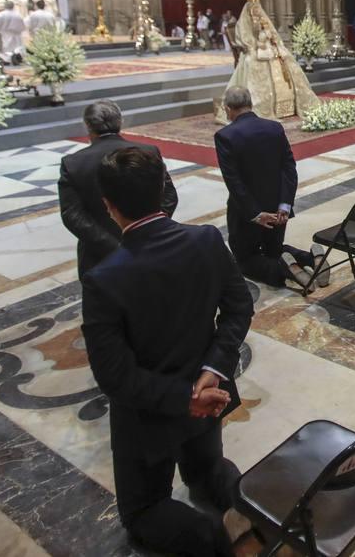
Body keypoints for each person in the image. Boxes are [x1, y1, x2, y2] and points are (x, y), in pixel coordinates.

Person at [81, 146, 253, 557]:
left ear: (108, 207)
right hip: (208, 393)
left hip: (148, 418)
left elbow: (115, 376)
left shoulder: (103, 279)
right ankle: (251, 510)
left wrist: (182, 399)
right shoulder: (207, 240)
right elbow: (239, 307)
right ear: (163, 189)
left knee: (143, 510)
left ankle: (216, 542)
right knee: (208, 470)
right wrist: (214, 369)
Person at [213, 87, 320, 290]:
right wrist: (285, 205)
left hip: (247, 214)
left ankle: (286, 270)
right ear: (250, 104)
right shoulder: (274, 128)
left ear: (228, 108)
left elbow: (234, 182)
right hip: (278, 210)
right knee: (274, 250)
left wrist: (255, 214)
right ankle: (313, 258)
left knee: (243, 260)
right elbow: (289, 168)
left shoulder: (225, 136)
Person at [59, 100, 178, 277]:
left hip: (99, 256)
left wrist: (114, 248)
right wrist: (150, 228)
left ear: (87, 126)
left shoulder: (74, 163)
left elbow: (72, 215)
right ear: (120, 121)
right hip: (151, 245)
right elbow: (169, 197)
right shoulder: (148, 151)